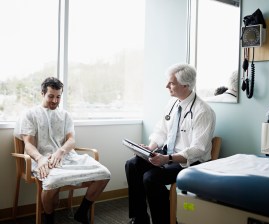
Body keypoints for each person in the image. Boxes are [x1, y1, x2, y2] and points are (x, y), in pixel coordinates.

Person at [125, 63, 216, 224]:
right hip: (168, 154)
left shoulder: (203, 111)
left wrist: (167, 159)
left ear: (185, 85)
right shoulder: (173, 103)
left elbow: (198, 149)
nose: (166, 86)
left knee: (150, 178)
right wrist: (150, 148)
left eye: (171, 83)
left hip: (190, 162)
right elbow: (161, 130)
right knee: (132, 164)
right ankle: (139, 218)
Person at [14, 77, 111, 224]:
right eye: (51, 96)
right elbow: (28, 144)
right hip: (41, 159)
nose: (55, 101)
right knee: (53, 180)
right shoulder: (30, 114)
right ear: (42, 94)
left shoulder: (65, 115)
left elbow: (71, 140)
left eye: (58, 97)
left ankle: (81, 212)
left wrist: (61, 151)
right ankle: (49, 220)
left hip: (67, 157)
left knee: (104, 174)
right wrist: (40, 159)